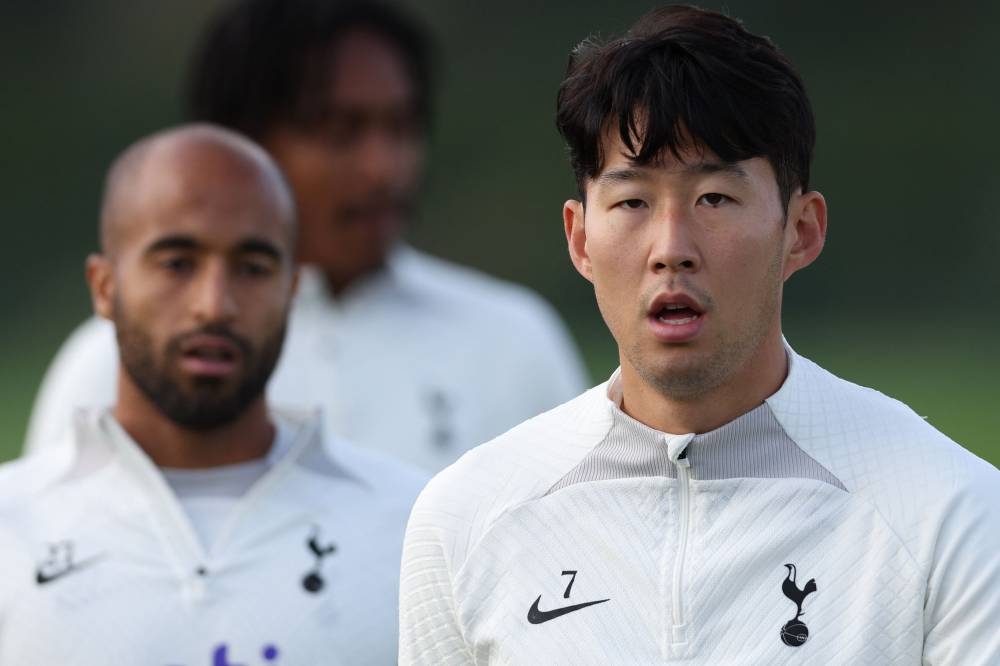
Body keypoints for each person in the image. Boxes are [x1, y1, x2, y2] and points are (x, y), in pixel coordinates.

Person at [398, 6, 1000, 664]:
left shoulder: (949, 513)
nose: (670, 249)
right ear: (580, 239)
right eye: (632, 202)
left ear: (801, 230)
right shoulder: (468, 517)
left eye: (714, 197)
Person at [23, 0, 587, 472]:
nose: (383, 167)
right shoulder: (117, 364)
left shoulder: (512, 342)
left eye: (402, 127)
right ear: (239, 145)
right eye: (340, 131)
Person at [0, 125, 425, 664]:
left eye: (252, 268)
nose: (214, 304)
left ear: (291, 289)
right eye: (178, 263)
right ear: (105, 286)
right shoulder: (9, 530)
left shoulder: (414, 528)